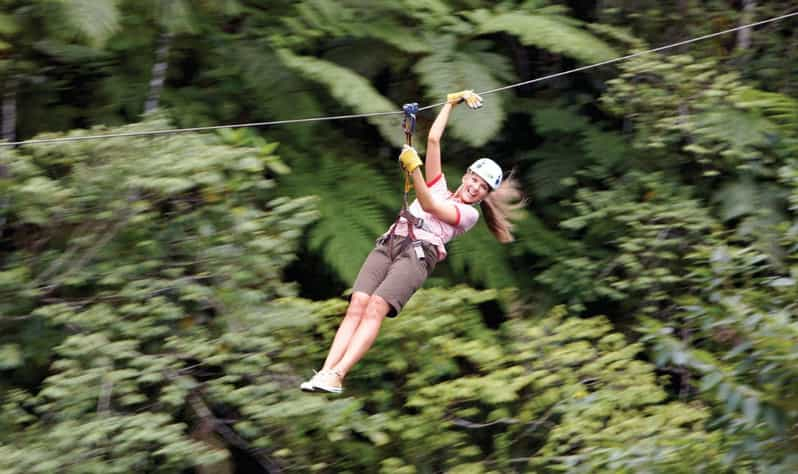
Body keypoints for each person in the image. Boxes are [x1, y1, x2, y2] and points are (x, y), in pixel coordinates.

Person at [301, 90, 521, 393]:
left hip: (418, 255)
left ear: (484, 196)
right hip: (392, 240)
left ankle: (338, 375)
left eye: (482, 188)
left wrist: (414, 168)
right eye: (474, 179)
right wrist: (449, 104)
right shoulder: (441, 185)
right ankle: (325, 371)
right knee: (357, 304)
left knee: (376, 306)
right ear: (467, 175)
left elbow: (429, 205)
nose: (474, 188)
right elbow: (433, 141)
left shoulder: (468, 215)